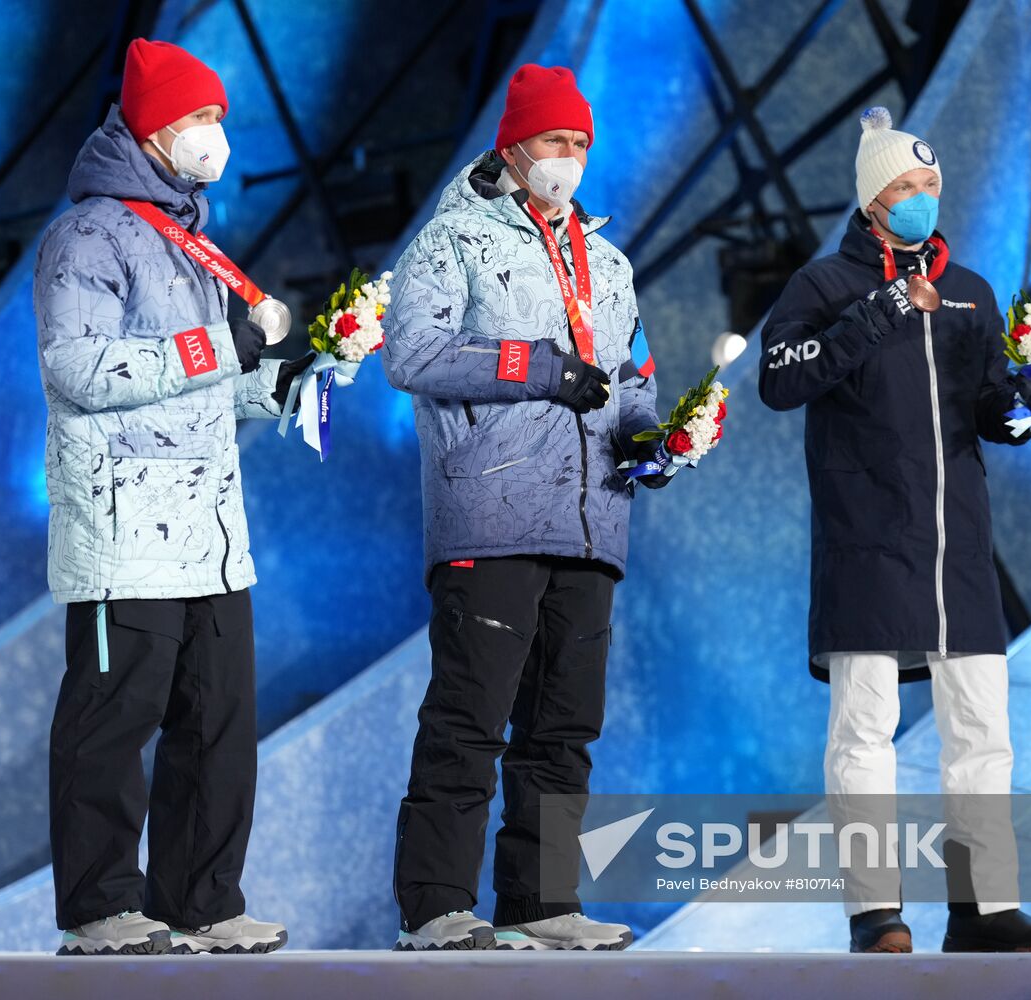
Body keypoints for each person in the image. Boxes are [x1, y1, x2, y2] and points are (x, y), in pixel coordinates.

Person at [758, 106, 1031, 954]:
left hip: (955, 546)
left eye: (930, 184)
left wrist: (1029, 398)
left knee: (981, 732)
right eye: (905, 185)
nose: (922, 197)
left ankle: (982, 909)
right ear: (870, 201)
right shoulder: (823, 286)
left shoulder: (969, 288)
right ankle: (874, 913)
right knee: (863, 730)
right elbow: (779, 382)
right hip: (867, 539)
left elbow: (988, 415)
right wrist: (888, 305)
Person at [382, 64, 666, 952]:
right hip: (491, 508)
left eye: (580, 144)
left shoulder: (608, 261)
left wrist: (652, 437)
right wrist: (537, 367)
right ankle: (435, 908)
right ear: (513, 144)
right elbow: (412, 352)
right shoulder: (452, 241)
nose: (568, 160)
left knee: (564, 726)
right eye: (554, 142)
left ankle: (540, 904)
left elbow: (630, 377)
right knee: (470, 718)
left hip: (591, 519)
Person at [35, 38, 306, 956]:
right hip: (124, 526)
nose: (212, 136)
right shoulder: (89, 235)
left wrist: (282, 378)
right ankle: (99, 910)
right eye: (198, 119)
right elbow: (78, 368)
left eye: (219, 120)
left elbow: (203, 383)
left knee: (217, 725)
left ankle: (200, 900)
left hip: (210, 530)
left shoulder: (191, 243)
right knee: (115, 722)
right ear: (153, 127)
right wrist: (214, 348)